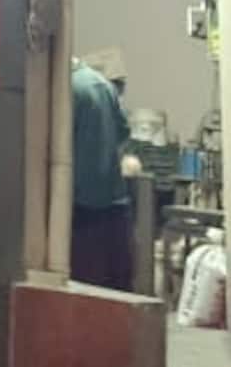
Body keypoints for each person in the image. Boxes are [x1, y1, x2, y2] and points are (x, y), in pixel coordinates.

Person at [71, 58, 137, 291]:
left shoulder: (68, 88)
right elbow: (123, 133)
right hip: (113, 206)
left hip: (82, 210)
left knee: (85, 291)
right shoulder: (103, 86)